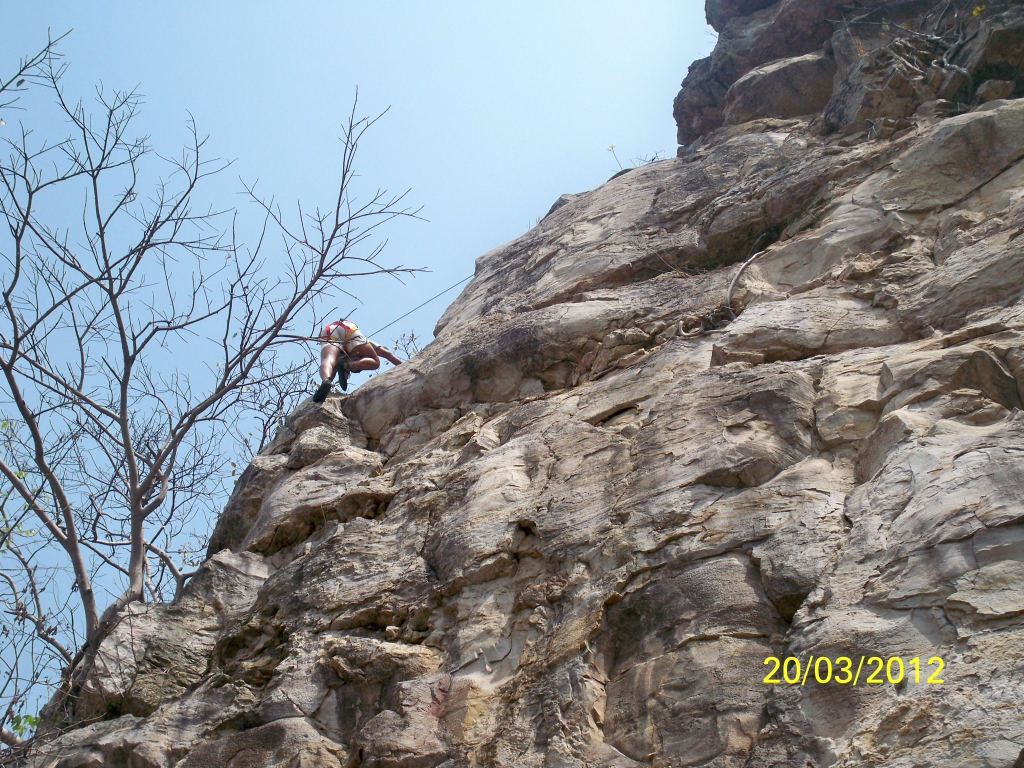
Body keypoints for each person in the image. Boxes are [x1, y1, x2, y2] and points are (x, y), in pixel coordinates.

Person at [312, 318, 403, 402]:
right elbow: (388, 354)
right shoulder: (366, 344)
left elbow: (337, 372)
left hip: (328, 330)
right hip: (349, 329)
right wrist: (406, 366)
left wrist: (328, 382)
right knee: (376, 362)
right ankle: (349, 366)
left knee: (329, 359)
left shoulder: (340, 359)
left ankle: (325, 380)